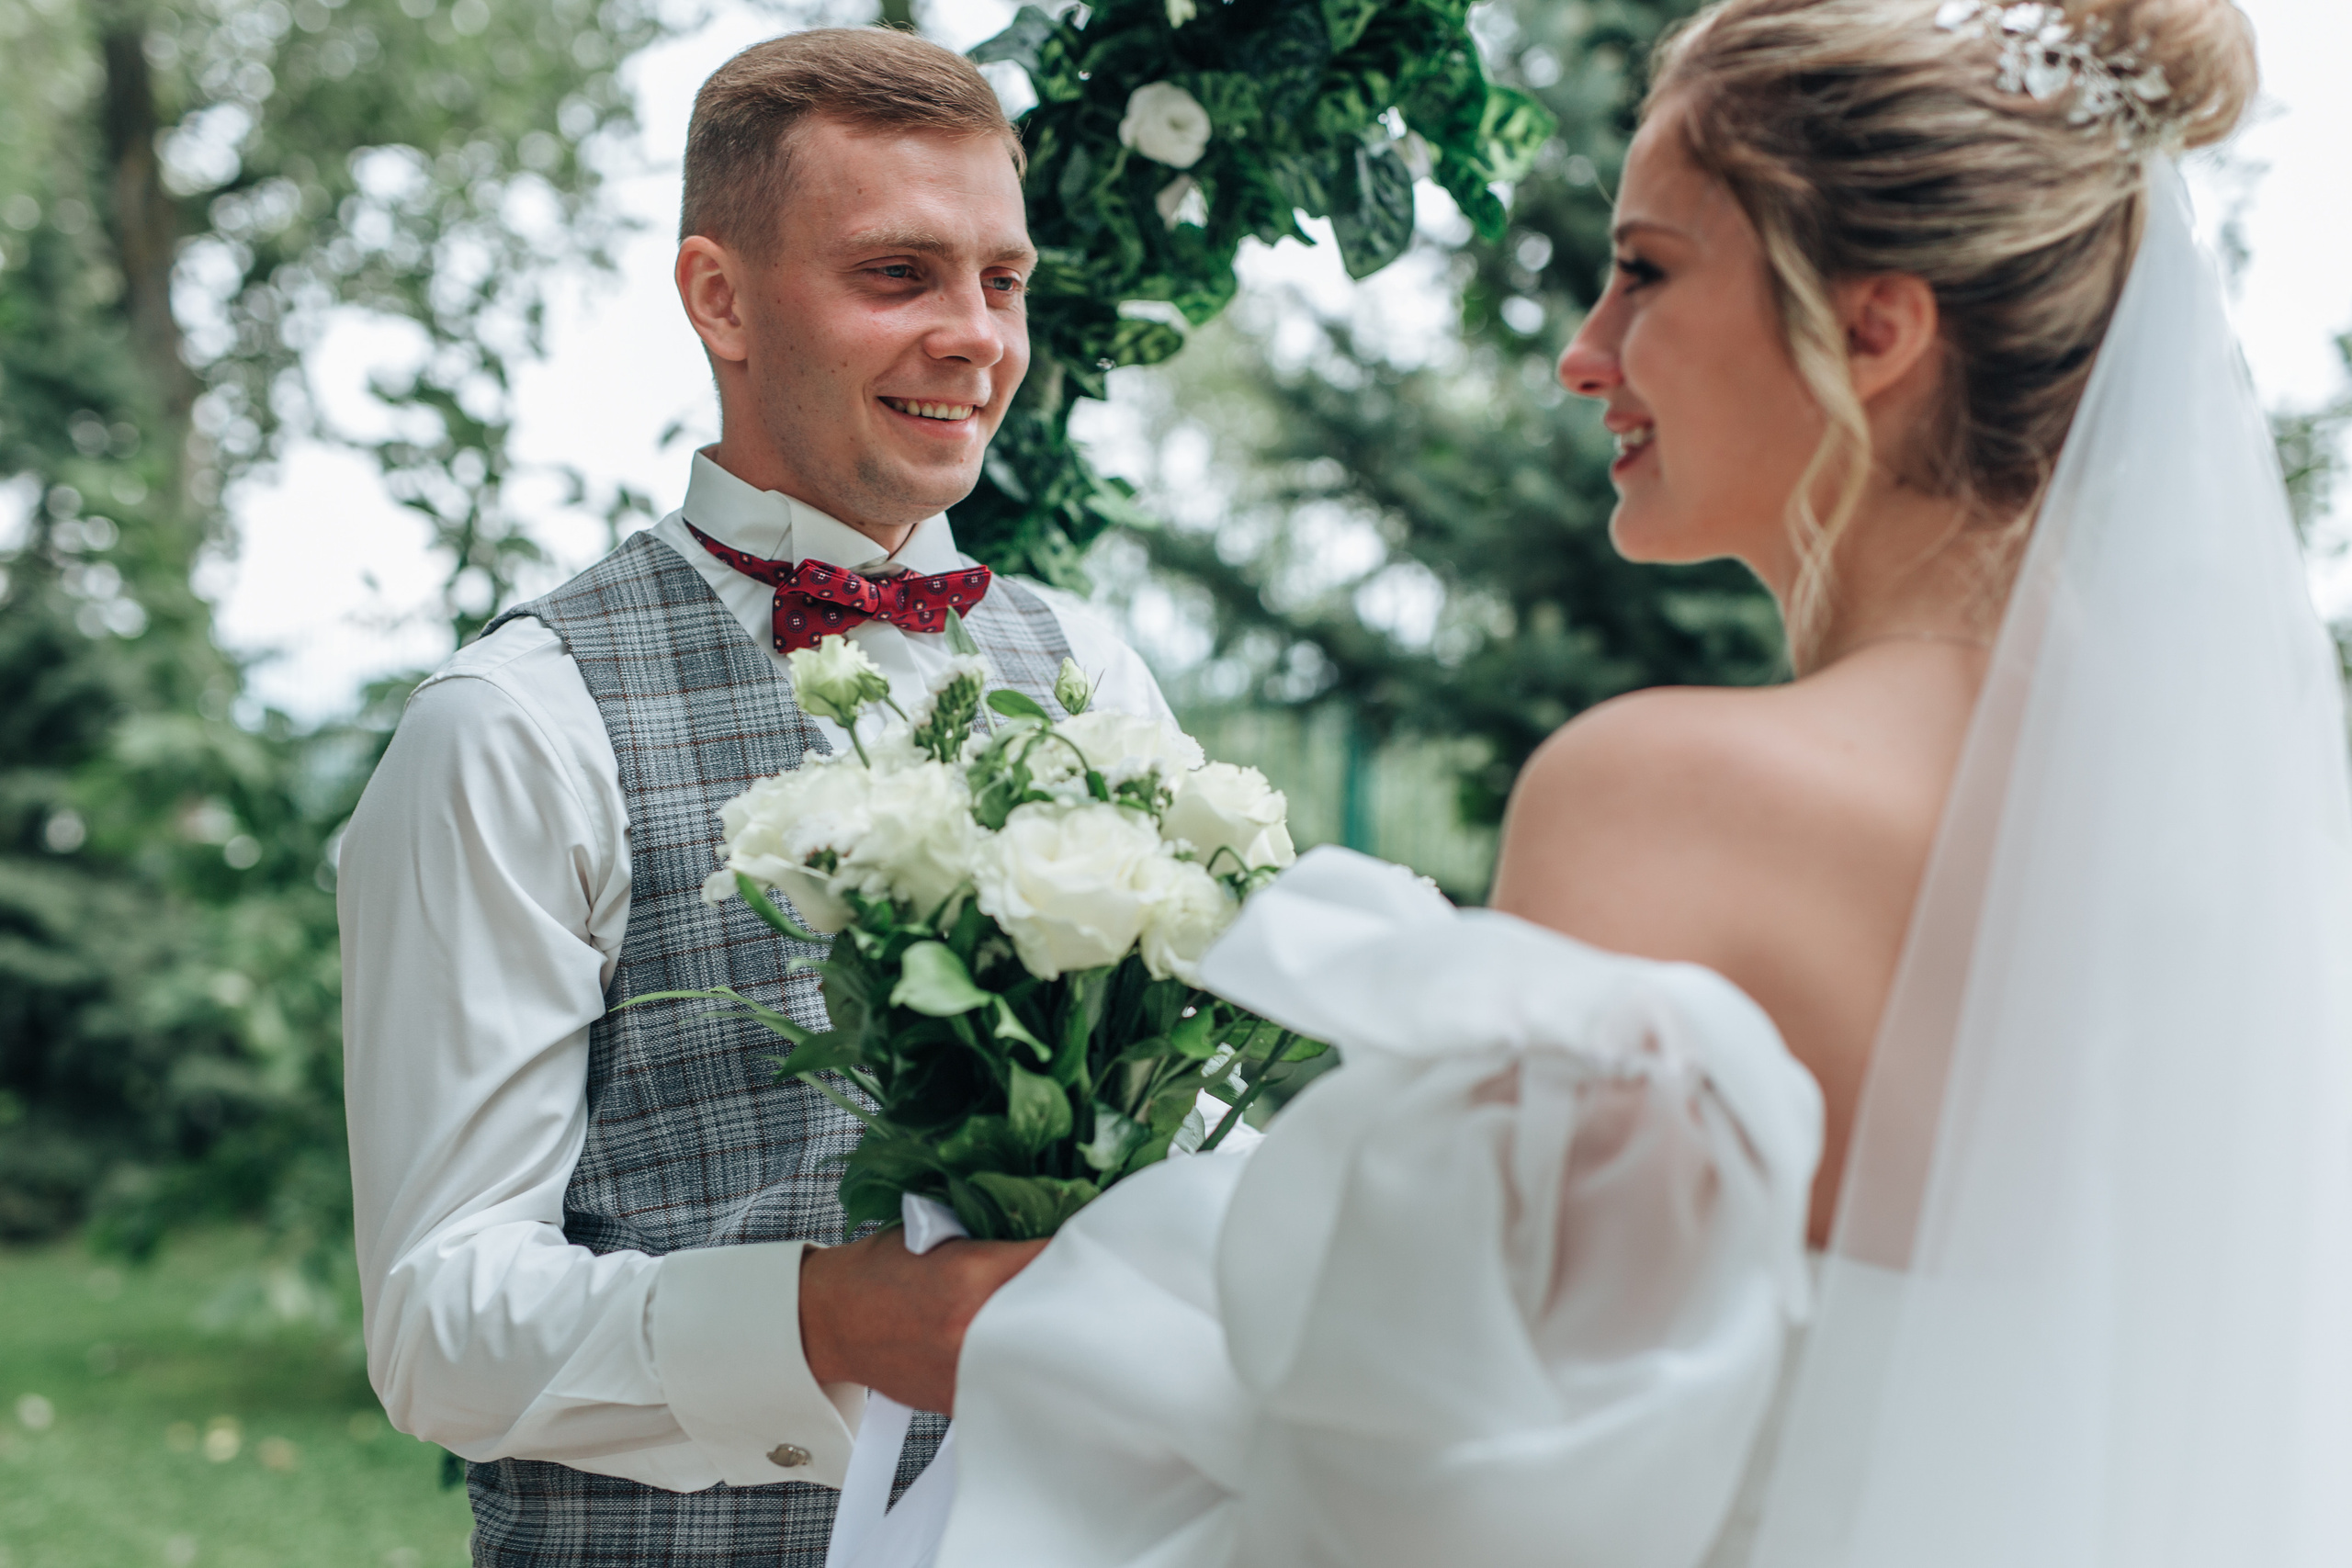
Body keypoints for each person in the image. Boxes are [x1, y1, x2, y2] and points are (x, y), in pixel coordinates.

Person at [907, 2, 2352, 1565]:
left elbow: (1434, 1507)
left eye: (1648, 271)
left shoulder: (1667, 798)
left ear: (1874, 329)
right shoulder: (2241, 851)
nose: (1583, 352)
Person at [337, 28, 1175, 1567]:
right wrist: (829, 1320)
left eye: (1003, 280)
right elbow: (438, 1326)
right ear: (718, 297)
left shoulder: (1094, 673)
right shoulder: (513, 725)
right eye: (897, 275)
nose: (976, 336)